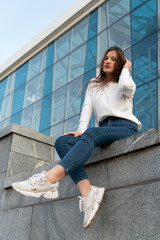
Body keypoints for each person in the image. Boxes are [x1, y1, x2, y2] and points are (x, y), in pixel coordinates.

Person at [12, 46, 141, 228]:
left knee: (92, 132)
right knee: (62, 141)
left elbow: (127, 87)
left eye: (113, 59)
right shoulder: (94, 84)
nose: (108, 61)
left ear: (120, 63)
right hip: (103, 130)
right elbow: (87, 108)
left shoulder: (124, 81)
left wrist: (126, 69)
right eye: (106, 58)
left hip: (125, 127)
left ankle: (50, 178)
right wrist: (81, 130)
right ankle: (88, 194)